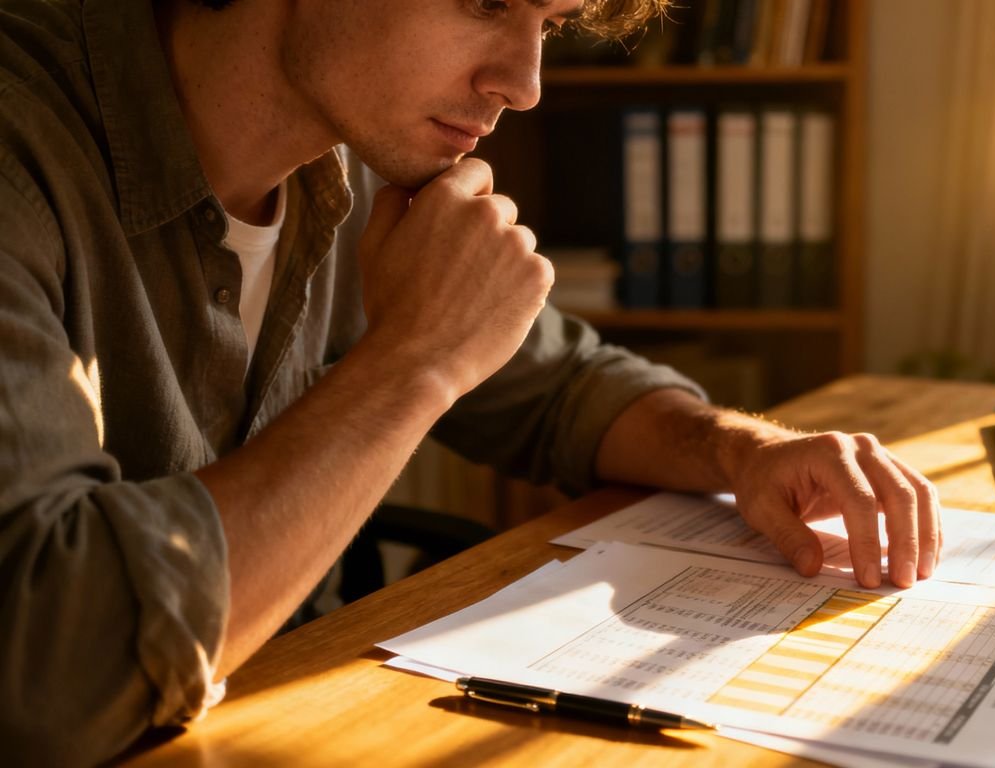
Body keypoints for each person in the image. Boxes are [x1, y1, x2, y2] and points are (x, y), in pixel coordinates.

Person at [0, 0, 942, 763]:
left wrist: (739, 446)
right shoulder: (21, 149)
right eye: (487, 2)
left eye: (551, 22)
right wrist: (415, 362)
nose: (525, 85)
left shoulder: (353, 159)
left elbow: (560, 384)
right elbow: (51, 678)